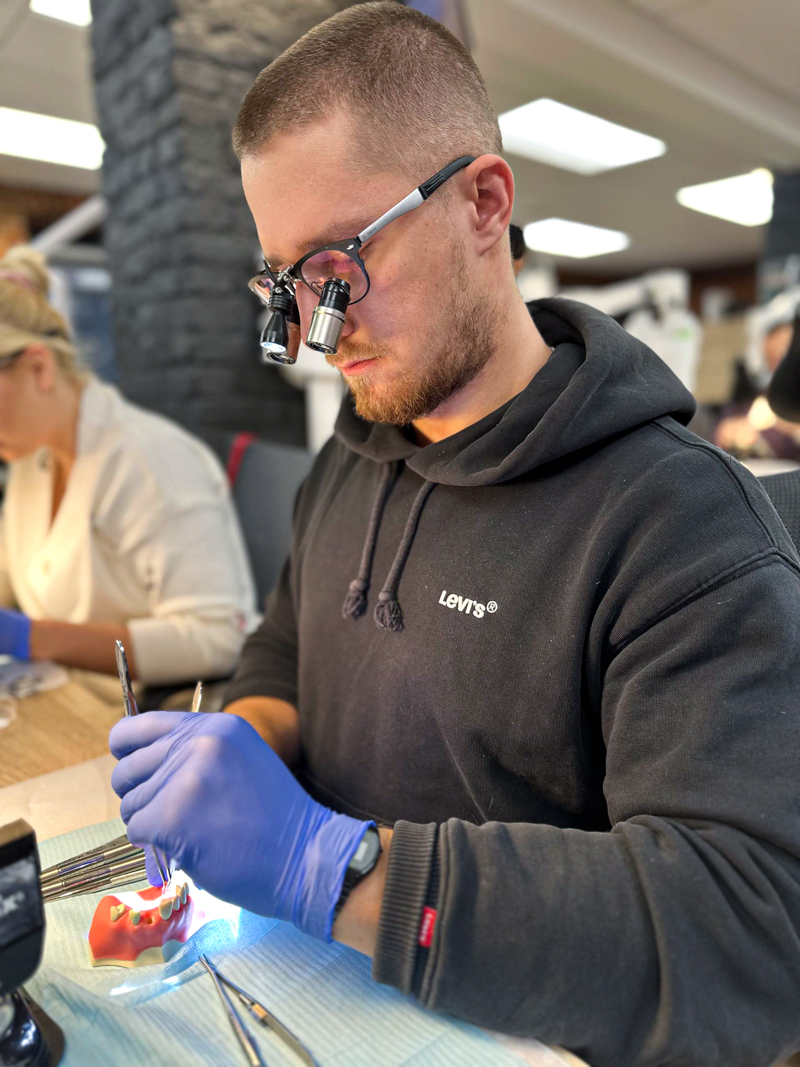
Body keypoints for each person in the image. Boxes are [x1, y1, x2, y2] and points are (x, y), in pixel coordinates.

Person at [108, 5, 800, 1065]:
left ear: (483, 203)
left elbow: (749, 936)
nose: (316, 330)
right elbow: (288, 644)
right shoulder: (352, 457)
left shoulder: (678, 521)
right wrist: (241, 739)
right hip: (309, 991)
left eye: (338, 264)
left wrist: (332, 865)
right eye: (285, 282)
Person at [0, 245, 256, 687]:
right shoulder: (31, 456)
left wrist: (31, 638)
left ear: (38, 367)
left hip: (139, 715)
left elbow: (217, 638)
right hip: (59, 696)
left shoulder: (151, 460)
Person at [714, 289, 800, 463]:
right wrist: (729, 433)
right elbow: (720, 436)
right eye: (774, 356)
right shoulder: (754, 395)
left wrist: (791, 426)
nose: (779, 354)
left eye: (786, 351)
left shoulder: (790, 400)